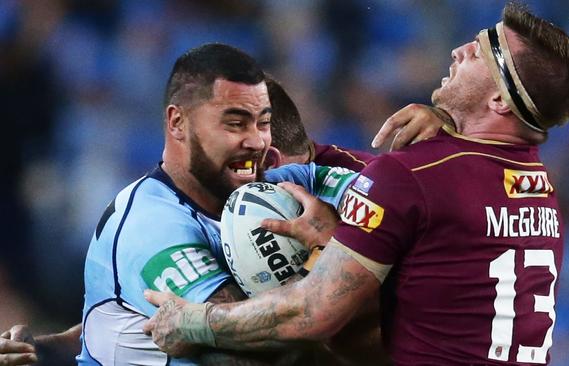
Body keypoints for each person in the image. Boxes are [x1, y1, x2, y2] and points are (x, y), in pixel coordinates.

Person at [142, 2, 569, 365]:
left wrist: (194, 323)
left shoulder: (417, 175)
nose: (458, 52)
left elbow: (312, 313)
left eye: (478, 54)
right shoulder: (539, 190)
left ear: (498, 100)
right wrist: (450, 125)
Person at [0, 60, 444, 365]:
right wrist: (55, 348)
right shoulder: (164, 217)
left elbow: (268, 330)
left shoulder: (370, 189)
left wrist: (448, 131)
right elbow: (168, 309)